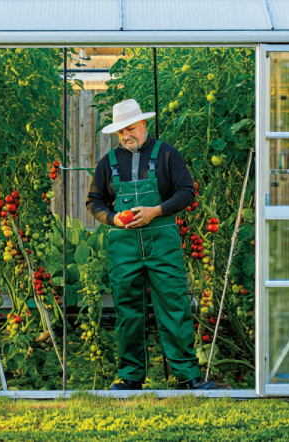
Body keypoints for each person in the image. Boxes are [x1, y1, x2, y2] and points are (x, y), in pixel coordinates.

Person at [86, 98, 215, 391]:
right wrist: (112, 218)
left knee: (174, 305)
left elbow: (187, 192)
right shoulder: (108, 163)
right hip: (124, 246)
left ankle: (187, 375)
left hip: (163, 243)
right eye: (120, 133)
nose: (126, 136)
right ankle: (131, 376)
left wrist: (155, 211)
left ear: (143, 124)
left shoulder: (167, 155)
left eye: (130, 129)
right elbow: (93, 201)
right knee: (127, 310)